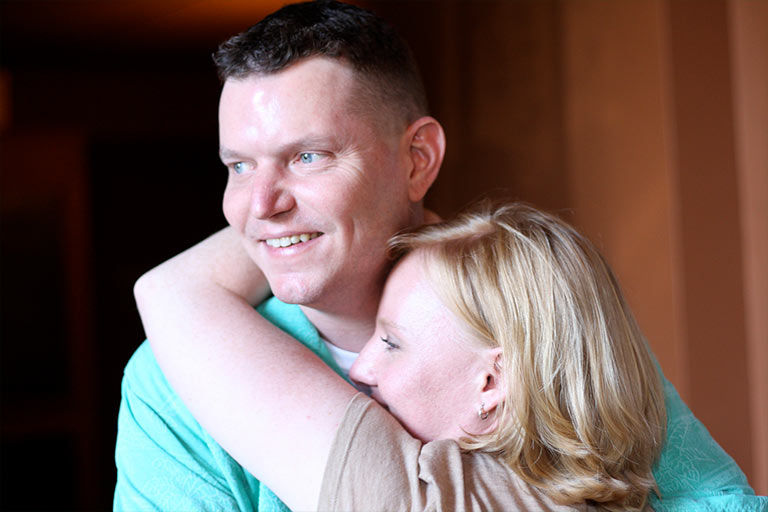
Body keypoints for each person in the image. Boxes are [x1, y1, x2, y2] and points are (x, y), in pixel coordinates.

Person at [113, 1, 760, 511]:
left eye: (308, 156)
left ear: (417, 159)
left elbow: (715, 502)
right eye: (238, 166)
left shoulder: (535, 315)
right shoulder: (176, 371)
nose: (260, 202)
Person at [136, 201, 670, 511]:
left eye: (390, 342)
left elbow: (172, 293)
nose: (361, 370)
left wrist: (365, 204)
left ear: (492, 380)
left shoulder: (432, 498)